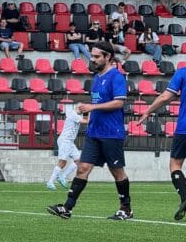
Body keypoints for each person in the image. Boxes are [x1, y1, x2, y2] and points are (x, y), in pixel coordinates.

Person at [47, 41, 132, 220]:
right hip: (94, 133)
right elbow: (96, 105)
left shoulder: (116, 77)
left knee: (117, 172)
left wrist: (92, 108)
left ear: (107, 57)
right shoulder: (96, 78)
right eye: (92, 56)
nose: (92, 59)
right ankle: (67, 208)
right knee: (82, 168)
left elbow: (119, 102)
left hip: (111, 133)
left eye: (96, 56)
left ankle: (126, 208)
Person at [138, 65, 186, 220]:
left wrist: (148, 110)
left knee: (175, 165)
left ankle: (185, 196)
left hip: (184, 128)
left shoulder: (183, 73)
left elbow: (166, 97)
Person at [46, 103, 87, 190]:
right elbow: (86, 121)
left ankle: (63, 176)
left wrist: (87, 112)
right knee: (62, 162)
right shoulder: (73, 115)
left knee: (78, 160)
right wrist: (89, 112)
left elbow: (85, 121)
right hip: (65, 140)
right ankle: (50, 182)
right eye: (83, 109)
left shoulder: (75, 115)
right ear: (79, 108)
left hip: (69, 141)